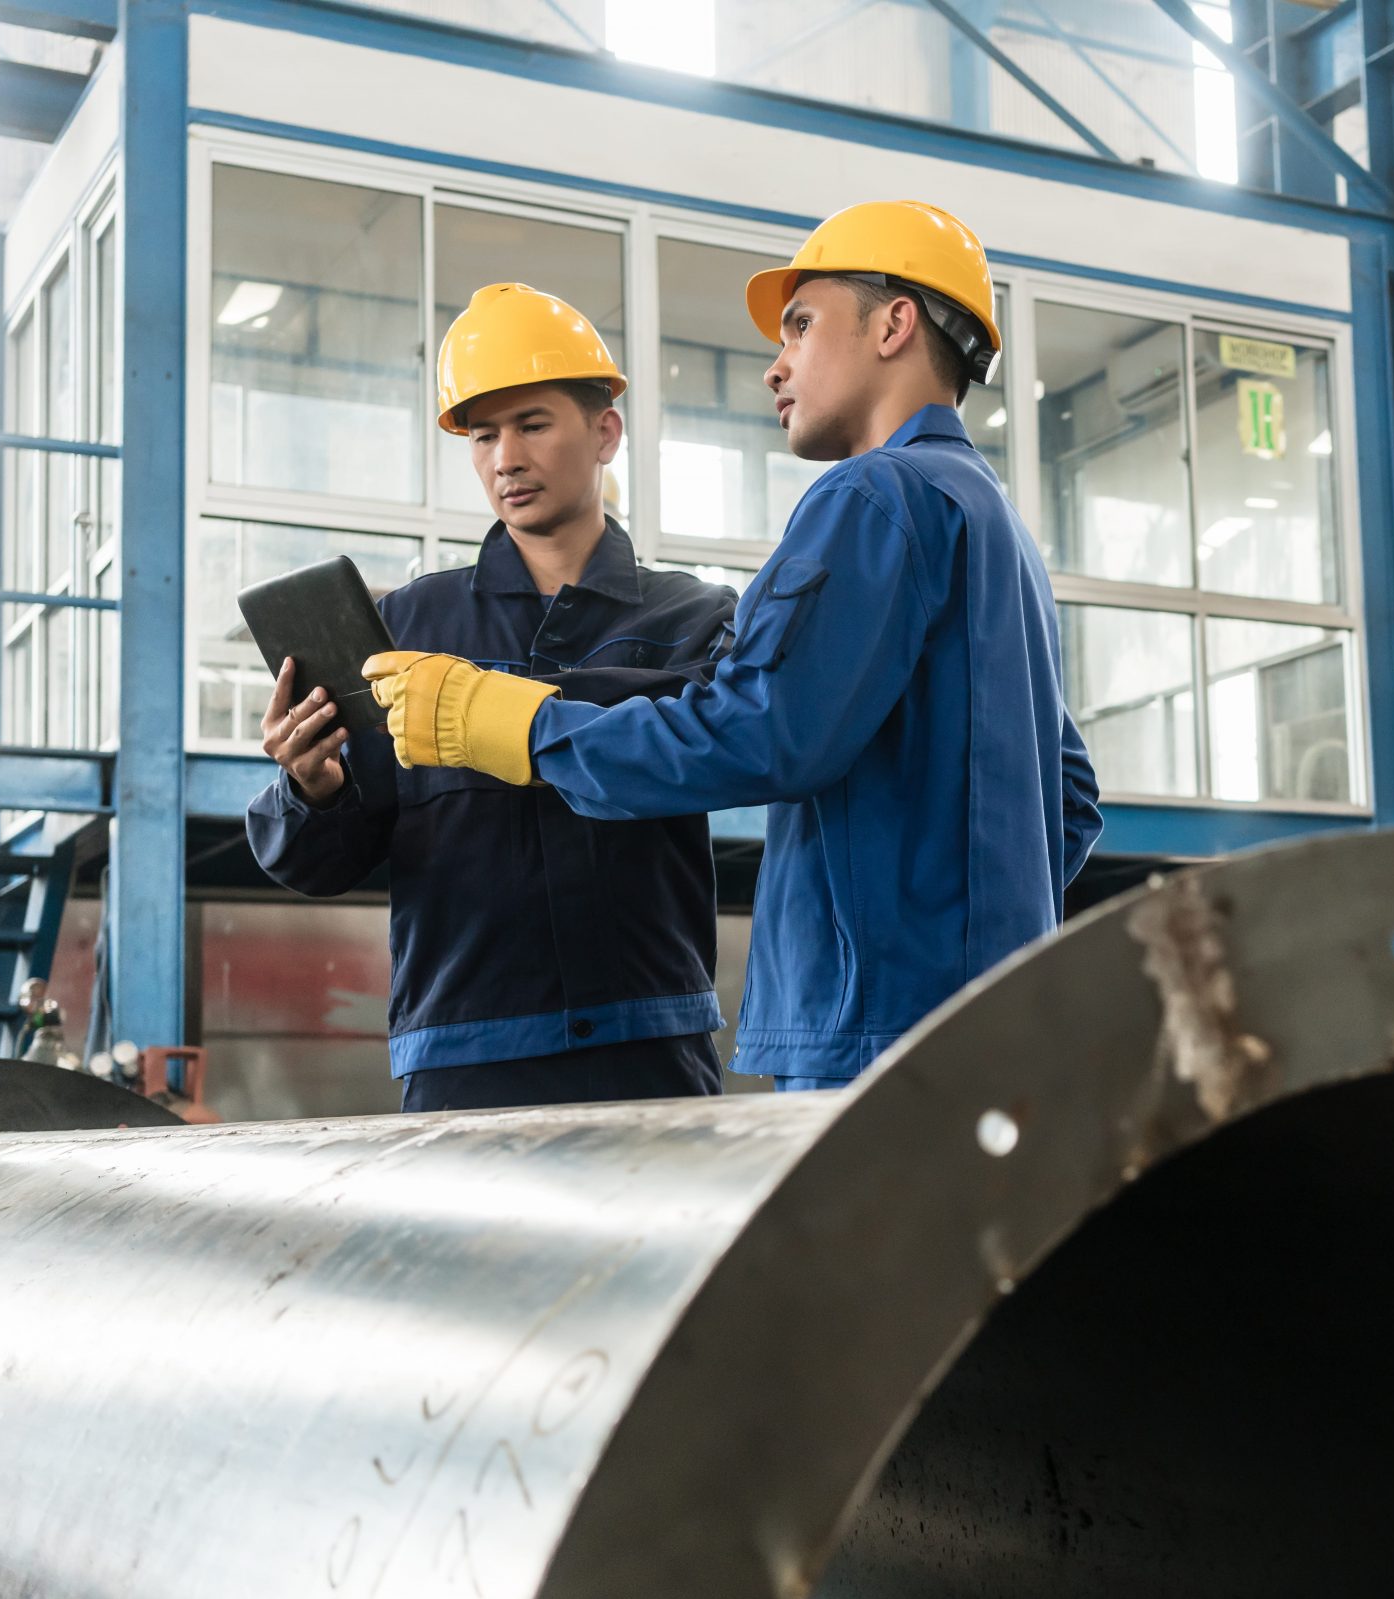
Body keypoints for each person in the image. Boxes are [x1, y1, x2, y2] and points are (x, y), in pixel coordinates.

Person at [367, 201, 1100, 1091]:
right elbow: (1068, 796)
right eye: (482, 435)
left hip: (875, 1038)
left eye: (800, 325)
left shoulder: (871, 499)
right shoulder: (993, 523)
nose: (775, 366)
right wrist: (963, 933)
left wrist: (515, 722)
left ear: (895, 324)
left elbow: (758, 731)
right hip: (988, 1023)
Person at [249, 284, 737, 1112]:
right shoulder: (404, 627)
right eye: (482, 436)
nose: (505, 458)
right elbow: (317, 863)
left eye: (533, 424)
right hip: (465, 1057)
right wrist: (313, 789)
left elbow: (714, 761)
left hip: (647, 1047)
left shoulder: (693, 618)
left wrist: (504, 703)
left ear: (605, 431)